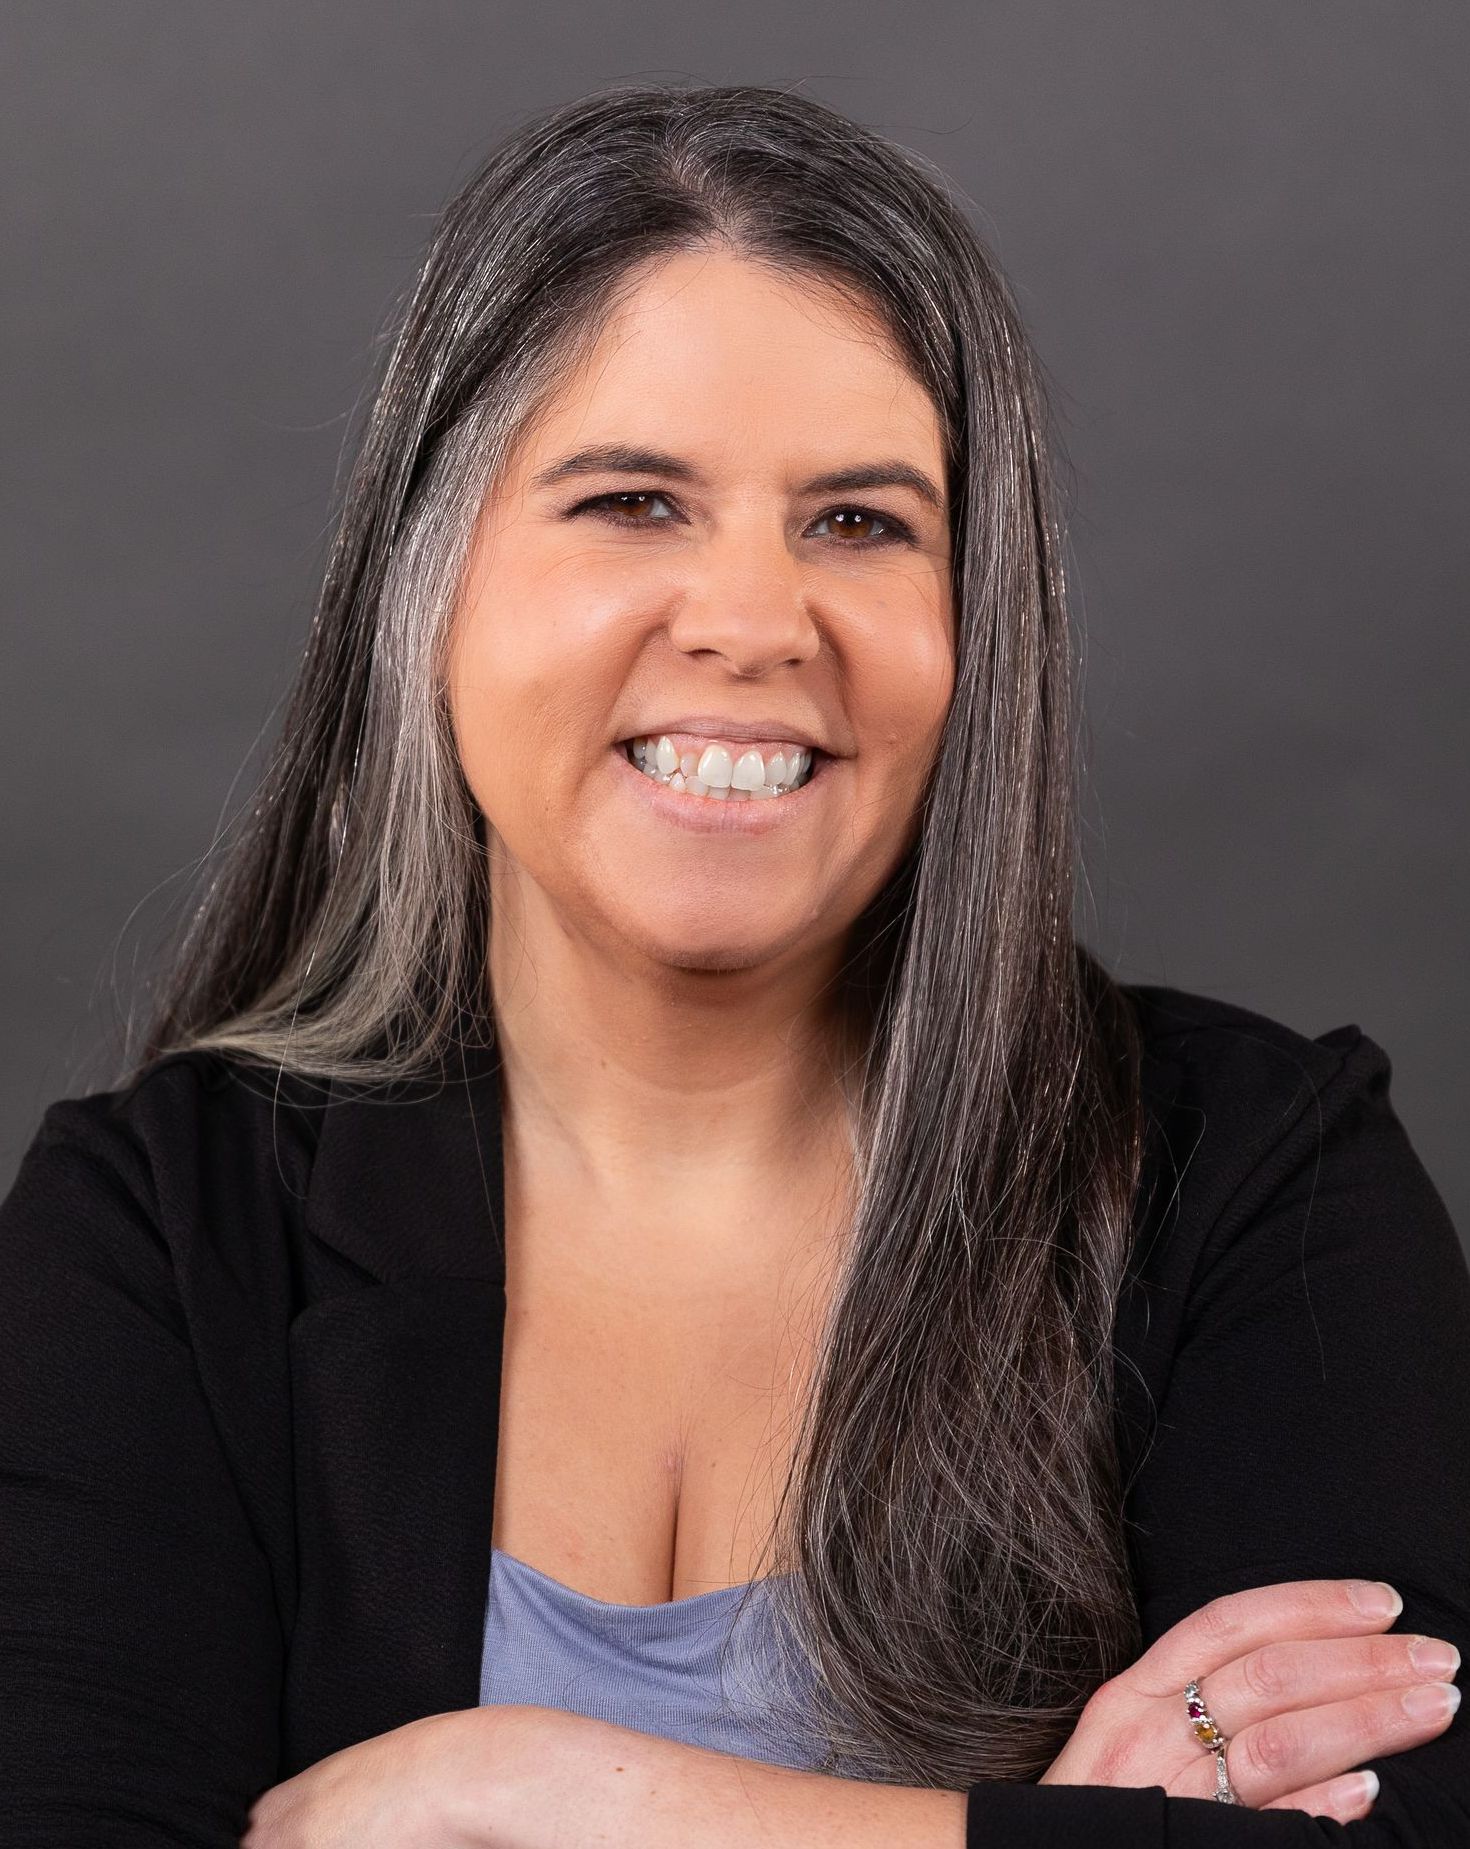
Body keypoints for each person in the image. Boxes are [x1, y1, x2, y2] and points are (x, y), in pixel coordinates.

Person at [2, 82, 1467, 1849]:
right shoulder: (158, 1230)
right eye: (631, 500)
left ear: (972, 620)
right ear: (430, 578)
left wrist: (520, 1790)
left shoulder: (1252, 1177)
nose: (755, 621)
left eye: (858, 522)